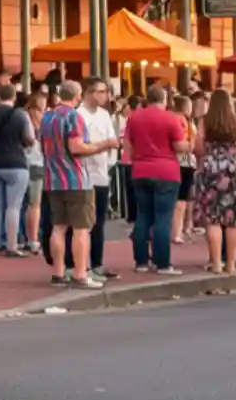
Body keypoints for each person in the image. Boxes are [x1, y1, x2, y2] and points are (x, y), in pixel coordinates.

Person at [39, 80, 105, 289]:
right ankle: (80, 274)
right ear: (78, 96)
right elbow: (77, 147)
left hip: (53, 178)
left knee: (58, 227)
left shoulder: (47, 117)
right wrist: (101, 146)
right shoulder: (73, 116)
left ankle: (58, 273)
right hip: (76, 179)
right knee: (81, 228)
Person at [124, 83, 188, 275]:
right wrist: (189, 144)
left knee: (143, 215)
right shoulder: (171, 118)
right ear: (164, 99)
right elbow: (179, 146)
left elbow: (128, 146)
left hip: (140, 170)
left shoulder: (134, 118)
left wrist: (136, 159)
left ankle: (141, 261)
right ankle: (162, 263)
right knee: (162, 217)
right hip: (166, 171)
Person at [193, 90, 236, 282]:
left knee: (213, 218)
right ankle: (231, 264)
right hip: (233, 169)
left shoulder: (204, 122)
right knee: (233, 219)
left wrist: (211, 153)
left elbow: (198, 148)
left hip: (210, 169)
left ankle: (216, 263)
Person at [0, 85, 33, 256]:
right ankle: (12, 245)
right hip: (16, 163)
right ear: (14, 96)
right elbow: (29, 138)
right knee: (13, 207)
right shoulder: (20, 115)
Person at [75, 79, 118, 278]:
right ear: (89, 92)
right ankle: (80, 265)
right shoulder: (79, 115)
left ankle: (97, 262)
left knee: (99, 222)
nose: (105, 96)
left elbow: (112, 140)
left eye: (106, 92)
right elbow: (83, 145)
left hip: (101, 174)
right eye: (101, 91)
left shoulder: (104, 115)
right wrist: (103, 145)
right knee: (83, 223)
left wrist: (109, 158)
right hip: (83, 175)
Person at [169, 94, 197, 247]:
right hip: (184, 162)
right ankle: (177, 233)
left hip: (170, 162)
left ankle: (170, 230)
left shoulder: (169, 119)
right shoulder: (185, 122)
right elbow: (189, 144)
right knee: (181, 200)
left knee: (171, 199)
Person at [22, 91, 46, 254]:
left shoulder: (22, 118)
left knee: (28, 205)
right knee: (35, 204)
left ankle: (28, 237)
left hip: (26, 163)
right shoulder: (31, 123)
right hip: (35, 163)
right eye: (41, 109)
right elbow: (34, 143)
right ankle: (33, 239)